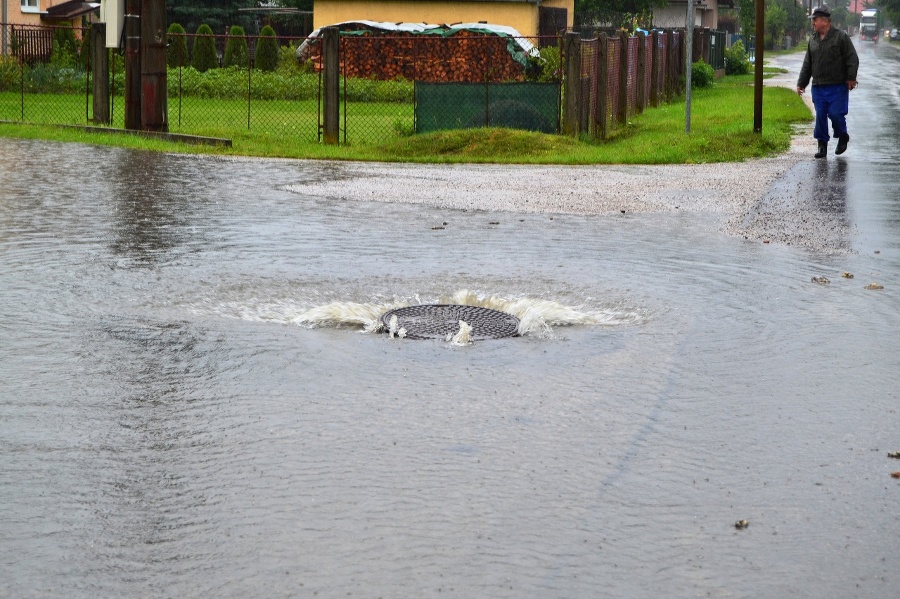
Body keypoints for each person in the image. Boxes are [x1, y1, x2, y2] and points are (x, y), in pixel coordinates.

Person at [796, 7, 859, 159]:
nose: (813, 23)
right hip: (818, 86)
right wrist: (801, 83)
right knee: (821, 116)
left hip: (837, 86)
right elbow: (807, 64)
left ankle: (842, 135)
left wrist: (851, 77)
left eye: (814, 20)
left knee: (836, 114)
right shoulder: (813, 40)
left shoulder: (840, 37)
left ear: (824, 21)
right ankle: (822, 144)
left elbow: (852, 58)